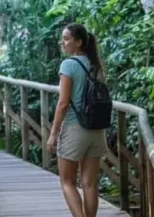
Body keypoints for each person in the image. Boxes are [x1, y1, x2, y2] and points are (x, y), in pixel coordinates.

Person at [47, 23, 107, 217]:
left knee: (67, 182)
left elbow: (63, 103)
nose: (62, 42)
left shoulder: (69, 65)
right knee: (89, 183)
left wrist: (53, 133)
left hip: (75, 129)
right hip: (97, 130)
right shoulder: (96, 64)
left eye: (66, 39)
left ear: (78, 42)